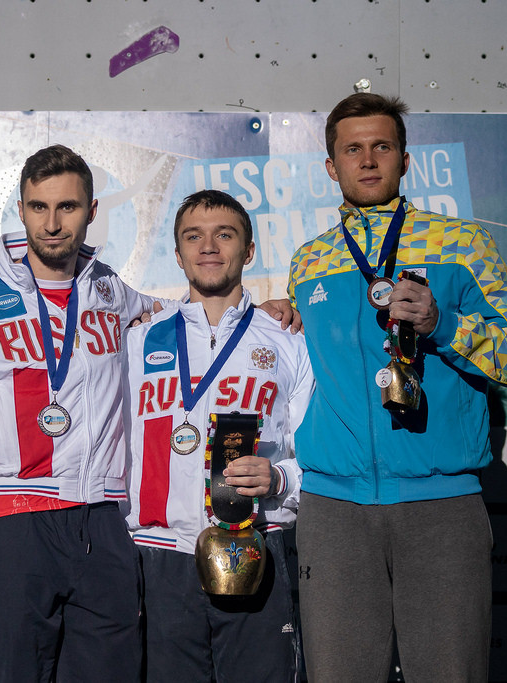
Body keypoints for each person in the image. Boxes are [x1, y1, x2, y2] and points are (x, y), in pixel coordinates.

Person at [0, 145, 297, 682]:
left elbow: (195, 316)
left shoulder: (110, 291)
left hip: (104, 525)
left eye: (66, 207)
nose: (51, 223)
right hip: (14, 519)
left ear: (90, 213)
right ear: (21, 210)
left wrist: (261, 316)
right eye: (38, 207)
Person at [287, 93, 507, 682]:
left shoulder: (462, 243)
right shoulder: (309, 262)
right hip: (334, 510)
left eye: (382, 146)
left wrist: (444, 325)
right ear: (330, 166)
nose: (368, 160)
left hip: (440, 507)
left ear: (406, 160)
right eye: (352, 149)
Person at [124, 190, 314, 682]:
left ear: (248, 251)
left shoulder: (289, 340)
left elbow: (317, 453)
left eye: (223, 235)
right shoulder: (137, 339)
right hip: (159, 555)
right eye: (194, 237)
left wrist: (279, 478)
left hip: (258, 543)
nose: (208, 247)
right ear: (177, 253)